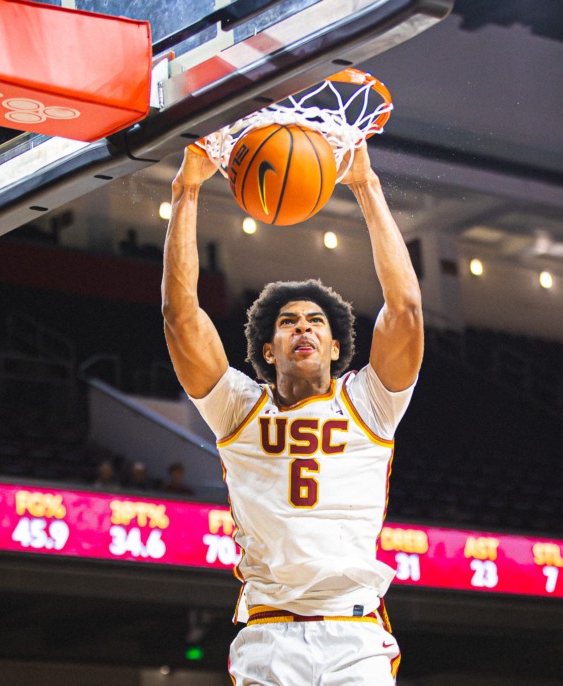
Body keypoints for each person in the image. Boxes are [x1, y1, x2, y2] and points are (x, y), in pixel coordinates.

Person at [161, 143, 423, 685]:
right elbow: (180, 315)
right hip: (270, 636)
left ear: (335, 346)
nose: (302, 326)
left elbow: (405, 310)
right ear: (268, 349)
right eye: (287, 322)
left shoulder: (370, 403)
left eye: (315, 321)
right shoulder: (237, 407)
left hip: (354, 637)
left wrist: (366, 185)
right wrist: (186, 190)